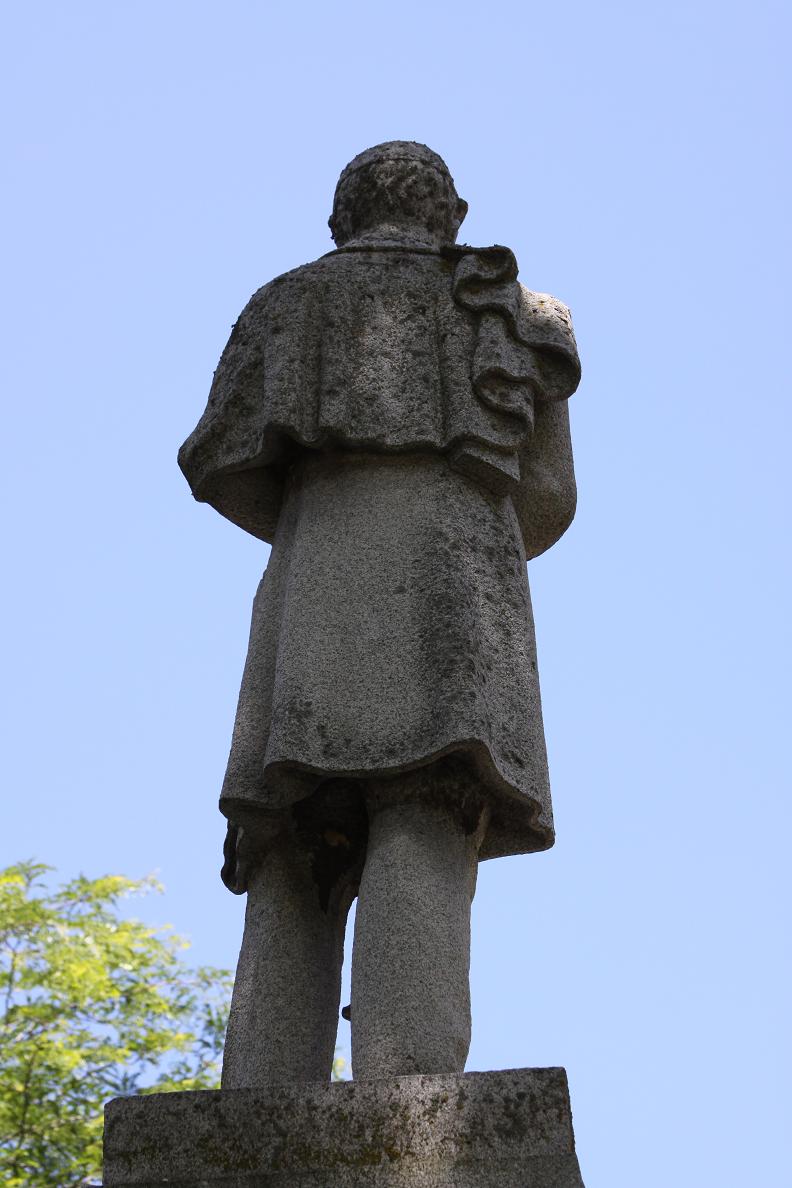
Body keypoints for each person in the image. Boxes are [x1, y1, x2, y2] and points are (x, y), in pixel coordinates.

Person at [179, 141, 581, 1087]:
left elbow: (225, 469)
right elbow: (551, 494)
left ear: (340, 220)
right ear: (454, 214)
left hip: (317, 569)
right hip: (459, 589)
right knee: (426, 807)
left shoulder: (284, 303)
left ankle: (261, 1091)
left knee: (290, 828)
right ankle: (411, 1095)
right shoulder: (523, 318)